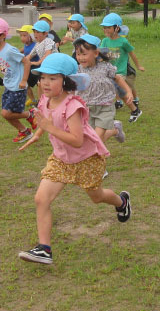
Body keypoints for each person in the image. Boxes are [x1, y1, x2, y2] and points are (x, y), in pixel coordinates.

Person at [17, 53, 131, 265]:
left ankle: (122, 201)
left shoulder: (73, 106)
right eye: (43, 78)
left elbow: (77, 140)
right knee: (41, 199)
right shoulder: (45, 100)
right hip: (60, 159)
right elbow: (46, 120)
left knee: (96, 197)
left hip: (86, 159)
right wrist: (38, 134)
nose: (45, 83)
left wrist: (49, 128)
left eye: (53, 78)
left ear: (67, 81)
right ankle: (44, 249)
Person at [0, 18, 35, 143]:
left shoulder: (10, 50)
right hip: (8, 86)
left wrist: (24, 81)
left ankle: (30, 114)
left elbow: (26, 62)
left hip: (18, 87)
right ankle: (24, 131)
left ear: (3, 35)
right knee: (8, 114)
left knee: (6, 113)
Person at [74, 34, 133, 144]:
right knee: (91, 137)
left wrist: (129, 91)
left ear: (96, 53)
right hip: (87, 109)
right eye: (78, 54)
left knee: (96, 138)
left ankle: (97, 158)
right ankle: (115, 130)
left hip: (105, 108)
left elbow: (118, 79)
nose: (80, 57)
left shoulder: (105, 67)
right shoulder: (77, 70)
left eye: (84, 54)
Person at [100, 13, 144, 123]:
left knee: (115, 90)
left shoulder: (123, 41)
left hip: (120, 72)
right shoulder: (105, 41)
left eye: (108, 27)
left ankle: (110, 114)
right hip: (108, 71)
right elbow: (101, 54)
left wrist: (138, 65)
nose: (106, 30)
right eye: (104, 27)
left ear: (117, 28)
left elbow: (132, 53)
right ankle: (134, 110)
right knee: (120, 93)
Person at [23, 20, 56, 103]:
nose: (35, 34)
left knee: (49, 84)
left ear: (45, 33)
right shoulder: (37, 44)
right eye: (34, 32)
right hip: (45, 67)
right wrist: (24, 62)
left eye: (38, 32)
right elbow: (29, 56)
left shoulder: (48, 41)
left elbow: (47, 54)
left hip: (54, 66)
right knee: (40, 84)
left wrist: (38, 62)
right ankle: (41, 102)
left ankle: (48, 101)